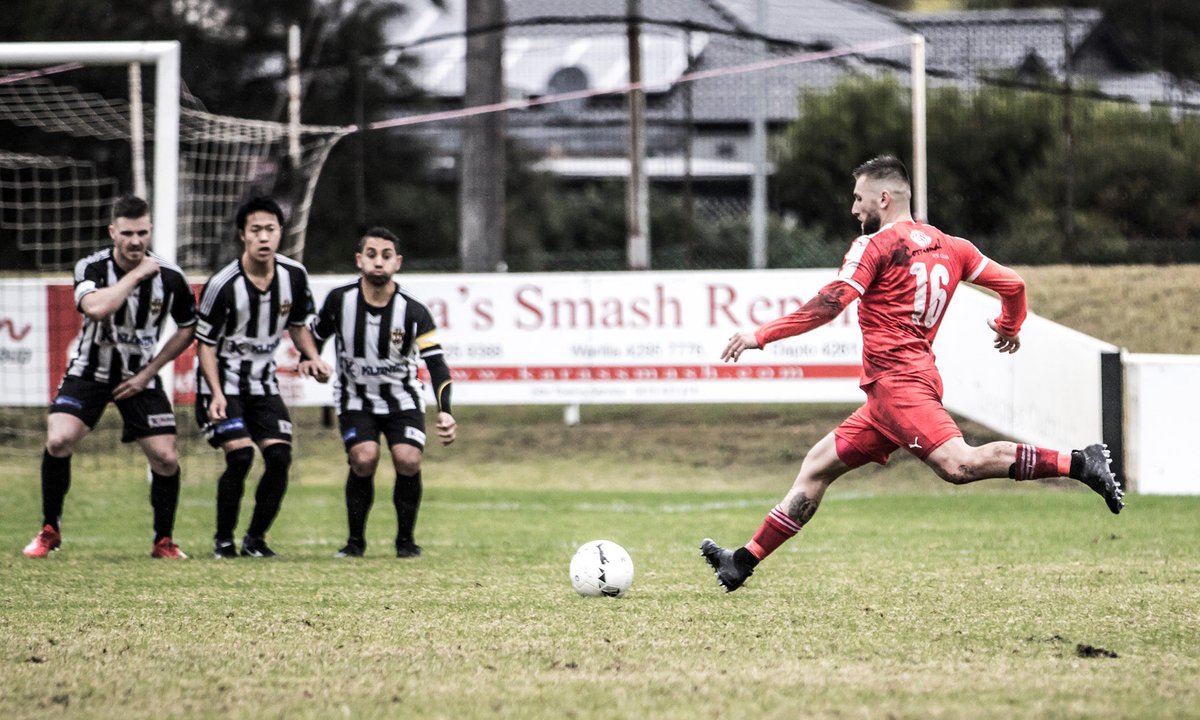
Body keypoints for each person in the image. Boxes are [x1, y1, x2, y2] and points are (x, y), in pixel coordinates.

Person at [700, 155, 1124, 593]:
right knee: (816, 469)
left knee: (959, 464)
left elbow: (834, 300)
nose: (854, 209)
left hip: (901, 389)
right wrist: (1009, 326)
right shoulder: (951, 246)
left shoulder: (876, 246)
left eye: (858, 198)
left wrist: (761, 334)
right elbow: (1013, 285)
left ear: (883, 198)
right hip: (891, 396)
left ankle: (1079, 462)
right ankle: (742, 561)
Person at [23, 195, 197, 560]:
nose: (136, 241)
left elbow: (187, 328)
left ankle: (163, 540)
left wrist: (150, 371)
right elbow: (97, 308)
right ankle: (49, 529)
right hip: (89, 371)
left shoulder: (171, 277)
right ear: (113, 232)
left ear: (151, 231)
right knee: (58, 440)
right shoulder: (92, 267)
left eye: (143, 233)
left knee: (166, 459)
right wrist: (136, 274)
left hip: (140, 376)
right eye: (128, 233)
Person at [195, 196, 331, 559]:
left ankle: (255, 538)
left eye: (270, 229)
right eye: (256, 230)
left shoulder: (293, 276)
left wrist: (312, 356)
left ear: (280, 232)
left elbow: (298, 326)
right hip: (222, 384)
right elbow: (204, 344)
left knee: (280, 457)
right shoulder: (223, 284)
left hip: (262, 384)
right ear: (243, 235)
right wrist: (216, 394)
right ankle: (223, 539)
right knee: (239, 457)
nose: (264, 237)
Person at [309, 227, 456, 559]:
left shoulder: (414, 312)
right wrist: (311, 360)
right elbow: (312, 339)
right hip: (355, 398)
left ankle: (406, 542)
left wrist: (445, 410)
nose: (379, 262)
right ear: (359, 259)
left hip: (402, 399)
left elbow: (437, 365)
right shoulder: (338, 301)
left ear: (397, 262)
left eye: (386, 256)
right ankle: (354, 542)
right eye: (371, 254)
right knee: (364, 458)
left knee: (408, 459)